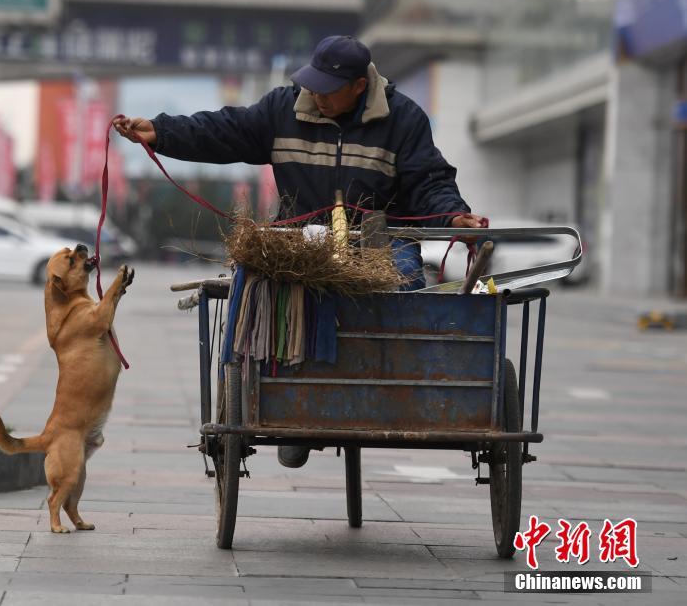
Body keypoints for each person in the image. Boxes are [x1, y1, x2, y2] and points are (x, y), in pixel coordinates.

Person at [114, 35, 487, 467]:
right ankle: (276, 403)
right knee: (251, 287)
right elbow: (224, 129)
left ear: (358, 87)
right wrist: (160, 132)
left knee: (404, 282)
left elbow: (430, 182)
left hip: (378, 241)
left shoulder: (404, 120)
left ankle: (395, 393)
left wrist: (455, 216)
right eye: (312, 85)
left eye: (327, 91)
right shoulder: (284, 108)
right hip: (301, 237)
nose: (316, 96)